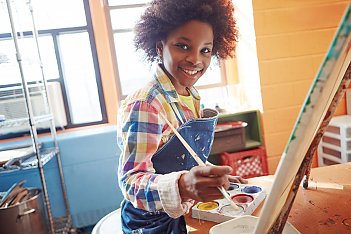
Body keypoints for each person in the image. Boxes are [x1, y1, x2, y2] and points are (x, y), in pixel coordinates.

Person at [117, 0, 247, 233]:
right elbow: (131, 182)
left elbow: (185, 157)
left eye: (205, 50)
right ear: (159, 46)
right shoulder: (146, 104)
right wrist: (183, 185)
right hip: (149, 223)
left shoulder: (190, 95)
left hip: (183, 214)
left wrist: (214, 178)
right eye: (183, 46)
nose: (195, 59)